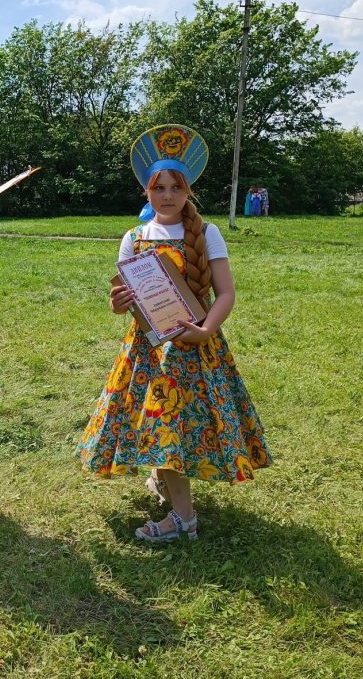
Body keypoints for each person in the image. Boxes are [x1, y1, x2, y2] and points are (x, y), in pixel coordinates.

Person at [77, 124, 272, 542]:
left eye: (175, 187)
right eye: (157, 187)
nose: (166, 195)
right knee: (157, 423)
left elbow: (226, 294)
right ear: (146, 191)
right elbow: (119, 298)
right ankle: (166, 484)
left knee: (173, 425)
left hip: (194, 348)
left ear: (187, 192)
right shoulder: (134, 238)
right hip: (148, 350)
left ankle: (183, 519)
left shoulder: (206, 233)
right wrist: (117, 303)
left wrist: (206, 329)